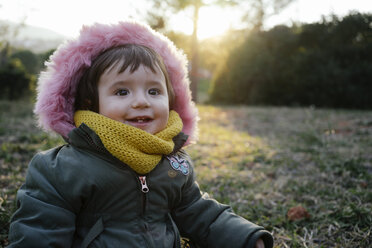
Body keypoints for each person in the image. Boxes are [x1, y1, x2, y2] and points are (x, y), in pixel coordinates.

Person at [8, 21, 273, 248]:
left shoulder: (173, 162)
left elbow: (199, 212)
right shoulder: (61, 169)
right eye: (122, 92)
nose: (141, 102)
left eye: (153, 91)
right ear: (90, 103)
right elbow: (40, 231)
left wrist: (247, 238)